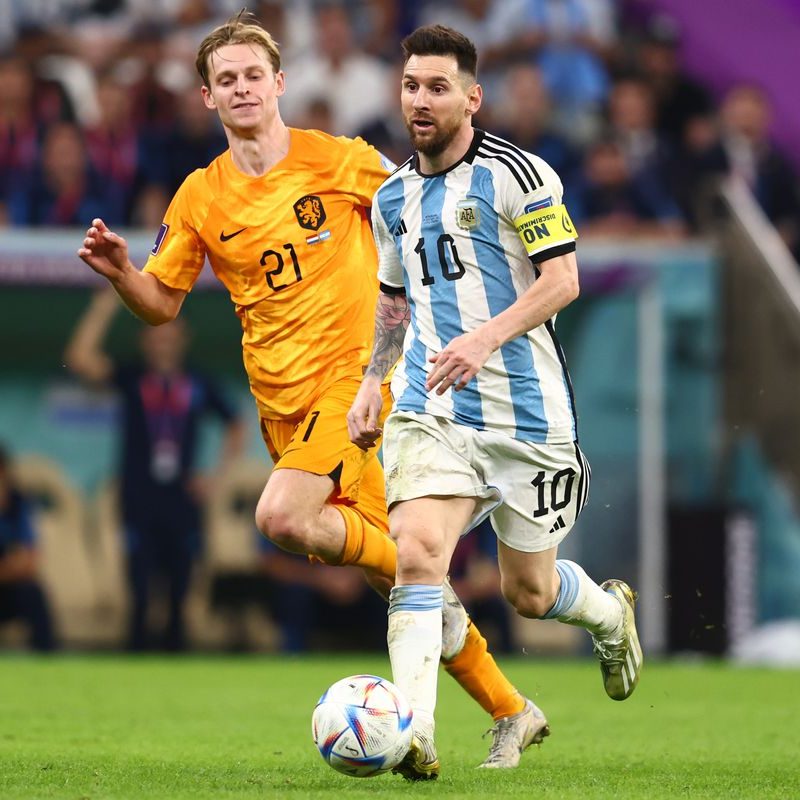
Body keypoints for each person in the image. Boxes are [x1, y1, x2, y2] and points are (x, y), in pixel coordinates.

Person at [75, 11, 543, 773]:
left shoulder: (343, 160)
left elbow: (422, 213)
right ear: (207, 97)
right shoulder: (200, 196)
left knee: (282, 515)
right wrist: (125, 272)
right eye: (226, 79)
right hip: (282, 409)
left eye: (253, 75)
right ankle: (510, 709)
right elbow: (161, 304)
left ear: (279, 83)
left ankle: (433, 654)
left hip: (358, 386)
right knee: (397, 574)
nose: (242, 88)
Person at [347, 24, 643, 779]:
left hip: (527, 416)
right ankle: (414, 732)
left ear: (472, 97)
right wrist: (372, 382)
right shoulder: (390, 197)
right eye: (411, 86)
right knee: (418, 553)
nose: (420, 100)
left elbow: (562, 281)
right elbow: (393, 302)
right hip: (433, 408)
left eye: (437, 87)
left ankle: (609, 614)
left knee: (529, 592)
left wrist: (483, 338)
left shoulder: (521, 174)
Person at [65, 289, 245, 650]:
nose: (163, 340)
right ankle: (134, 665)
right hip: (138, 497)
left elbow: (236, 425)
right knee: (140, 591)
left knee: (180, 593)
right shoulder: (132, 377)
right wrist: (104, 305)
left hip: (183, 500)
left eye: (170, 332)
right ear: (144, 339)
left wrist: (215, 478)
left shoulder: (198, 382)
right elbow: (80, 358)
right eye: (156, 332)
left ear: (183, 336)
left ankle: (176, 668)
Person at [0, 444, 57, 652]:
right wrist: (11, 564)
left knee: (33, 592)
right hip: (9, 575)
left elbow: (29, 561)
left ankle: (48, 659)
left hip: (9, 590)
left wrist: (10, 567)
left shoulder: (18, 504)